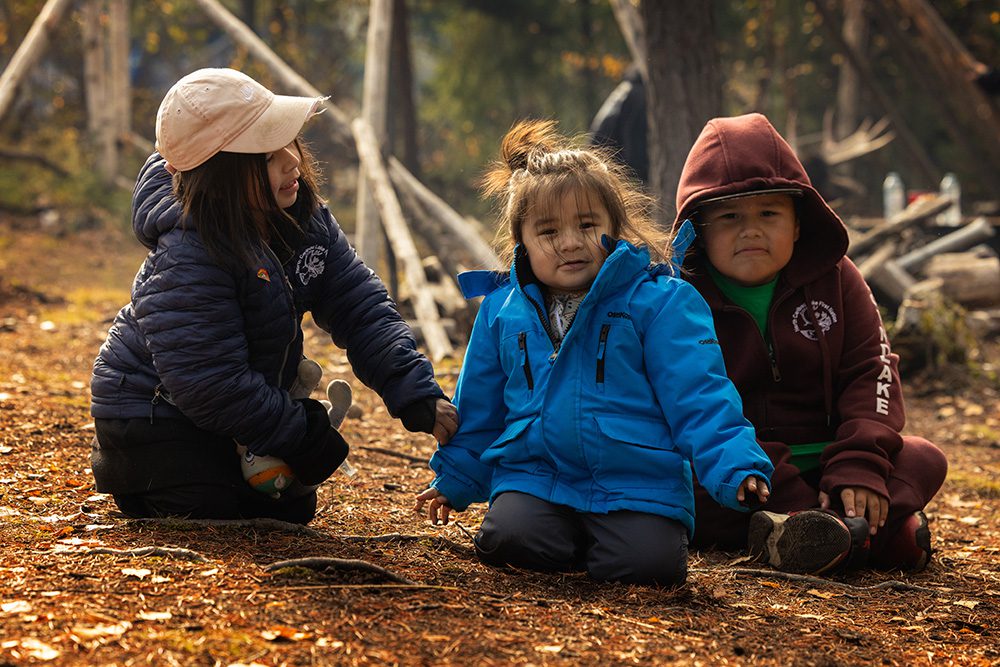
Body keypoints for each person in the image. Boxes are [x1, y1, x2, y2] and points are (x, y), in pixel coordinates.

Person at [90, 68, 458, 524]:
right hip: (150, 415)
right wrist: (299, 433)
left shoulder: (304, 220)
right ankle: (150, 483)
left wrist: (413, 391)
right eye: (266, 156)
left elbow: (359, 306)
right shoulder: (190, 251)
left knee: (293, 510)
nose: (292, 161)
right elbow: (206, 380)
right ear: (216, 173)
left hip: (228, 412)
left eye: (289, 142)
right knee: (217, 510)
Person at [414, 120, 773, 586]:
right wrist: (457, 478)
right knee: (510, 541)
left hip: (636, 483)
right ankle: (567, 539)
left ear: (613, 228)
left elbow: (700, 395)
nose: (570, 242)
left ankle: (605, 543)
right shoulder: (503, 310)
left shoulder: (660, 303)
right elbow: (480, 407)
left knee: (649, 568)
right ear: (520, 240)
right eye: (548, 231)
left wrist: (735, 463)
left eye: (587, 225)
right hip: (537, 477)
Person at [671, 112, 948, 574]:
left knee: (924, 457)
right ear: (697, 230)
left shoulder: (838, 279)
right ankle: (865, 537)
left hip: (830, 458)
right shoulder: (681, 299)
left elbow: (872, 369)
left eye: (769, 213)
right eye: (729, 216)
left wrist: (859, 464)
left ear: (799, 223)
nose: (750, 229)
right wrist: (781, 484)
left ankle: (823, 534)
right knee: (678, 484)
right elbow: (687, 403)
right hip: (741, 466)